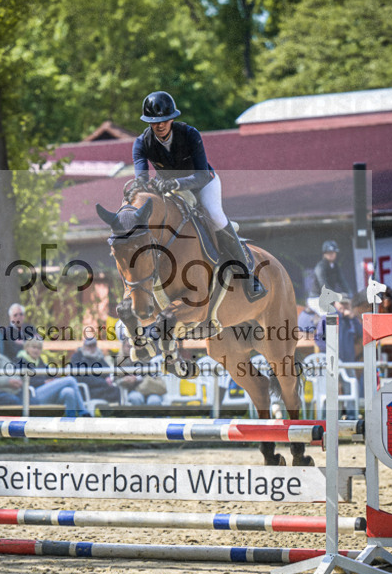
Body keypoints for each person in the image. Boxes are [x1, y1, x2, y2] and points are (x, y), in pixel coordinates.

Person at [133, 90, 265, 301]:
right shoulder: (141, 143)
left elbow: (202, 175)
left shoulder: (190, 134)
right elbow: (141, 178)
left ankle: (248, 275)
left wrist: (177, 182)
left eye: (164, 121)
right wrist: (139, 188)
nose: (159, 125)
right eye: (153, 121)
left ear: (172, 118)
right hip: (171, 189)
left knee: (214, 215)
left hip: (204, 183)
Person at [15, 337, 91, 416]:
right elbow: (22, 381)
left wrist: (58, 377)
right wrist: (44, 382)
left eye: (39, 348)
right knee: (70, 380)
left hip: (47, 393)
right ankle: (83, 412)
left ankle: (70, 422)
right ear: (27, 348)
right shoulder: (20, 361)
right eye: (34, 347)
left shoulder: (40, 361)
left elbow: (51, 375)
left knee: (69, 391)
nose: (36, 350)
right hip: (32, 395)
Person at [114, 335, 166, 406]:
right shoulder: (119, 362)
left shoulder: (144, 357)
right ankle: (139, 416)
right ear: (123, 347)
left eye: (132, 346)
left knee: (154, 400)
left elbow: (152, 375)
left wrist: (137, 379)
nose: (130, 349)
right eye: (128, 346)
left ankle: (154, 416)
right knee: (135, 398)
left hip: (150, 390)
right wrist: (124, 380)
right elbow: (115, 381)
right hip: (132, 391)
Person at [69, 333, 120, 403]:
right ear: (84, 346)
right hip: (85, 389)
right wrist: (103, 381)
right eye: (89, 345)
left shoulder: (99, 357)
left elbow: (107, 371)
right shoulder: (77, 357)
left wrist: (107, 379)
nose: (91, 348)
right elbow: (82, 377)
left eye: (93, 345)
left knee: (118, 391)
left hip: (101, 387)